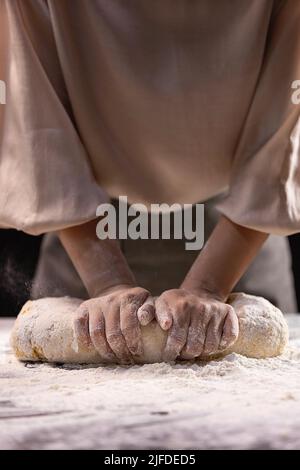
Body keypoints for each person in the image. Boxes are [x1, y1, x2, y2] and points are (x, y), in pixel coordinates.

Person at [0, 0, 299, 364]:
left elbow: (284, 121)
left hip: (239, 228)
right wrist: (107, 282)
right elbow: (36, 117)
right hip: (83, 229)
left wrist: (210, 285)